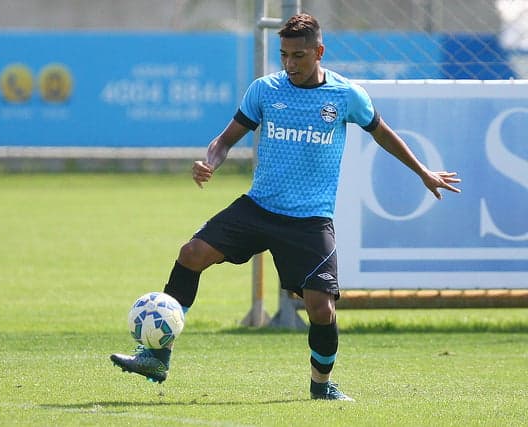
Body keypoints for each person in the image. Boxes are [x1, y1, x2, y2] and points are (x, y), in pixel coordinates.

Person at [111, 13, 461, 401]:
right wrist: (210, 161)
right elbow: (225, 140)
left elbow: (383, 134)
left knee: (321, 309)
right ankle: (157, 356)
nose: (290, 64)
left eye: (298, 56)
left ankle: (321, 386)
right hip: (259, 207)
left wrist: (423, 172)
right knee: (191, 254)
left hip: (310, 220)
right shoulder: (264, 90)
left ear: (319, 52)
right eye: (284, 56)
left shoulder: (346, 96)